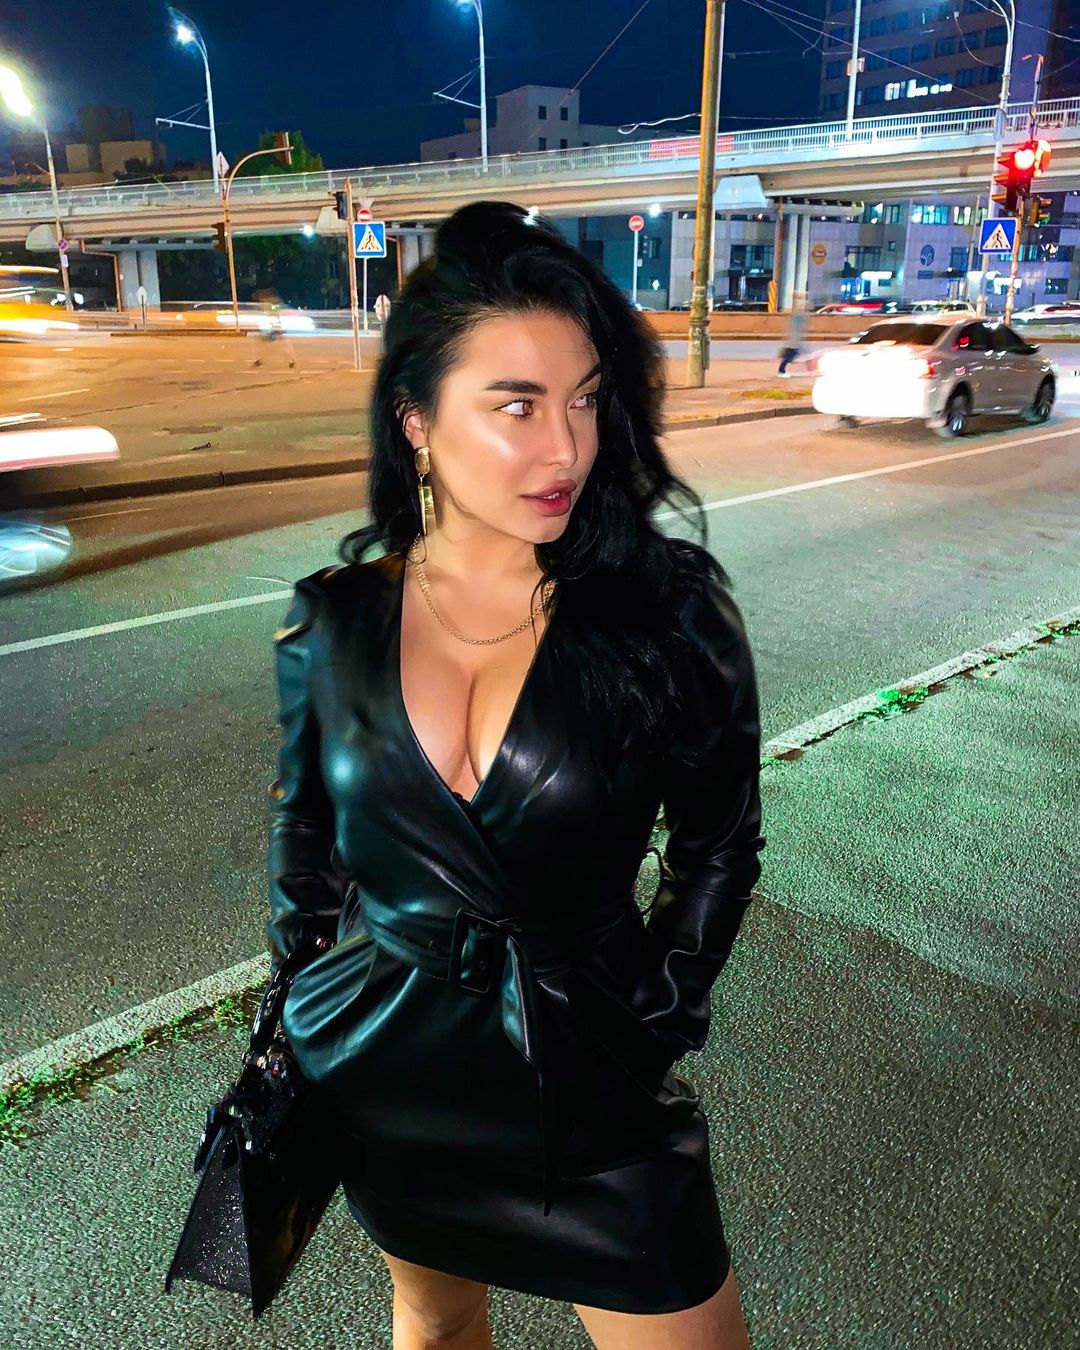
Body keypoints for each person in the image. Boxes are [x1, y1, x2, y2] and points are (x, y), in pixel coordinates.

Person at [268, 200, 766, 1349]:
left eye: (585, 401)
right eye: (518, 406)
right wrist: (299, 1000)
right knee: (435, 1325)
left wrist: (656, 1019)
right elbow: (303, 841)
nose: (566, 449)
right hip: (386, 1073)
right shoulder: (331, 622)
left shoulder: (667, 610)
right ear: (417, 422)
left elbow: (718, 843)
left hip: (591, 1084)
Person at [777, 305, 807, 377]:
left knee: (788, 357)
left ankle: (782, 371)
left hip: (793, 344)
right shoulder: (795, 325)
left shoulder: (795, 325)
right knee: (787, 358)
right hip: (792, 344)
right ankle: (781, 372)